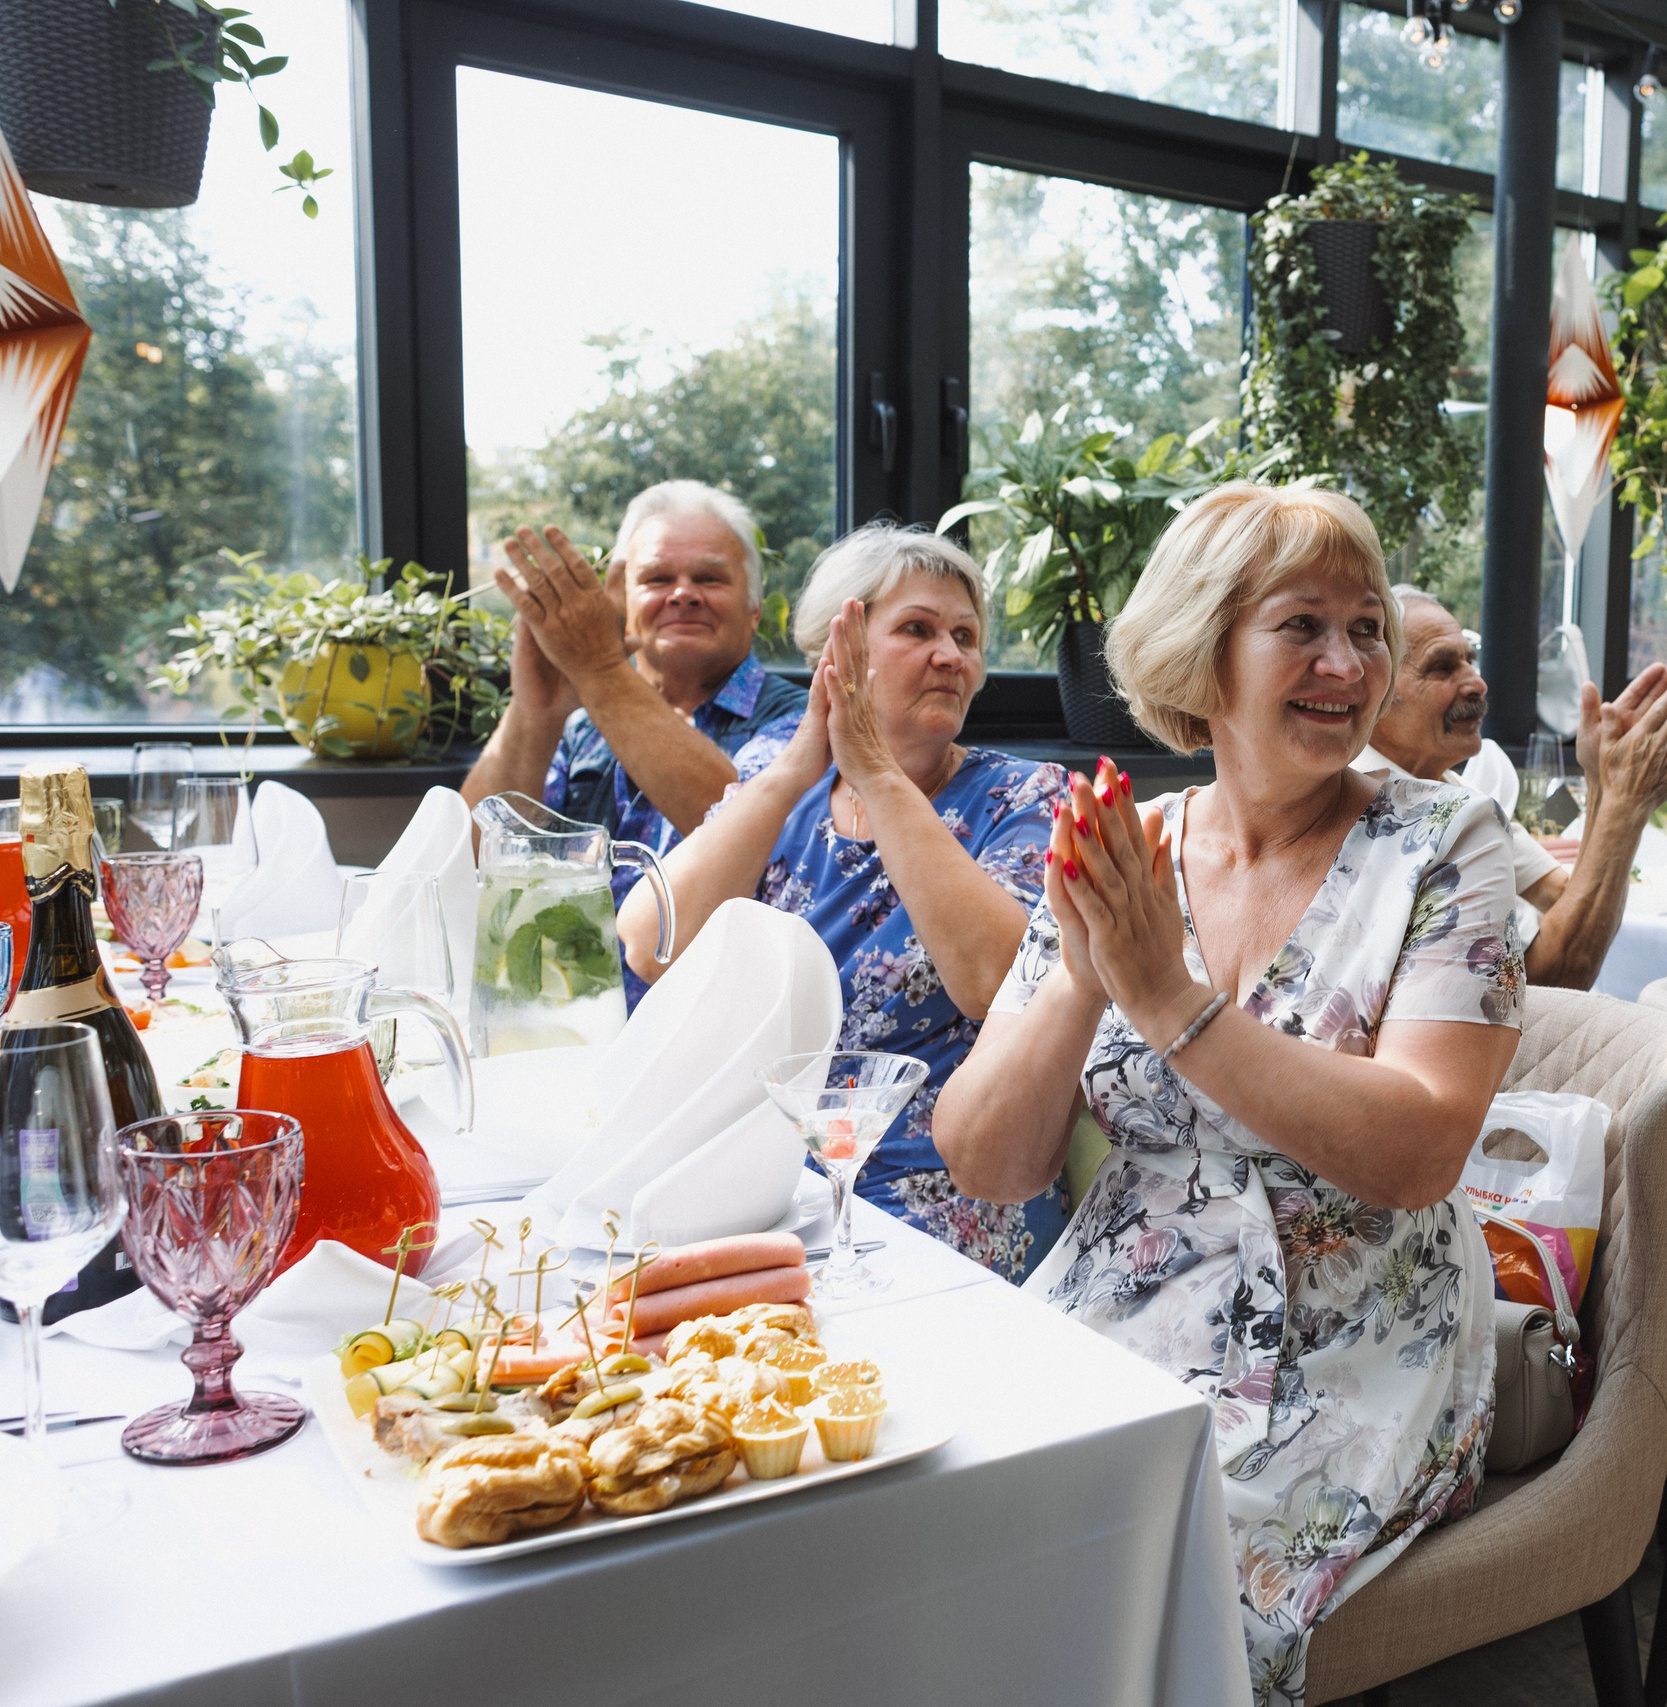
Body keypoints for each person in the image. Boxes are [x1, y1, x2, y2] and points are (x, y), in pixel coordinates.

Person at [935, 485, 1521, 1707]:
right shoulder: (1126, 843)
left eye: (1368, 629)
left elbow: (1417, 1152)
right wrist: (1088, 982)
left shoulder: (1444, 843)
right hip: (1122, 1305)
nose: (1347, 663)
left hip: (1361, 1334)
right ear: (1203, 649)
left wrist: (1170, 1001)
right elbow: (987, 1160)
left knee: (1180, 1586)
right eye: (1302, 626)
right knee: (943, 1527)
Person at [616, 524, 1069, 1280]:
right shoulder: (775, 777)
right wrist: (801, 764)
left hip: (935, 1190)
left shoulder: (1020, 796)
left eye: (966, 636)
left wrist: (879, 777)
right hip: (756, 1169)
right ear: (839, 654)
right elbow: (651, 942)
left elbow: (998, 982)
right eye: (918, 629)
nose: (951, 655)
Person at [466, 480, 810, 1000]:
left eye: (710, 578)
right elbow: (468, 861)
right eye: (657, 578)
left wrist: (600, 669)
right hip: (569, 1025)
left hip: (718, 1030)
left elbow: (761, 838)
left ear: (756, 607)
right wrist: (535, 714)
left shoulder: (803, 723)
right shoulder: (583, 727)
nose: (683, 593)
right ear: (623, 602)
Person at [1357, 586, 1667, 988]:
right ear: (1378, 689)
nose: (1477, 683)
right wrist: (1624, 804)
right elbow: (1552, 976)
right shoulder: (1379, 808)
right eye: (1442, 667)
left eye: (1470, 661)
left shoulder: (1453, 791)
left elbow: (1569, 899)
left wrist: (1602, 784)